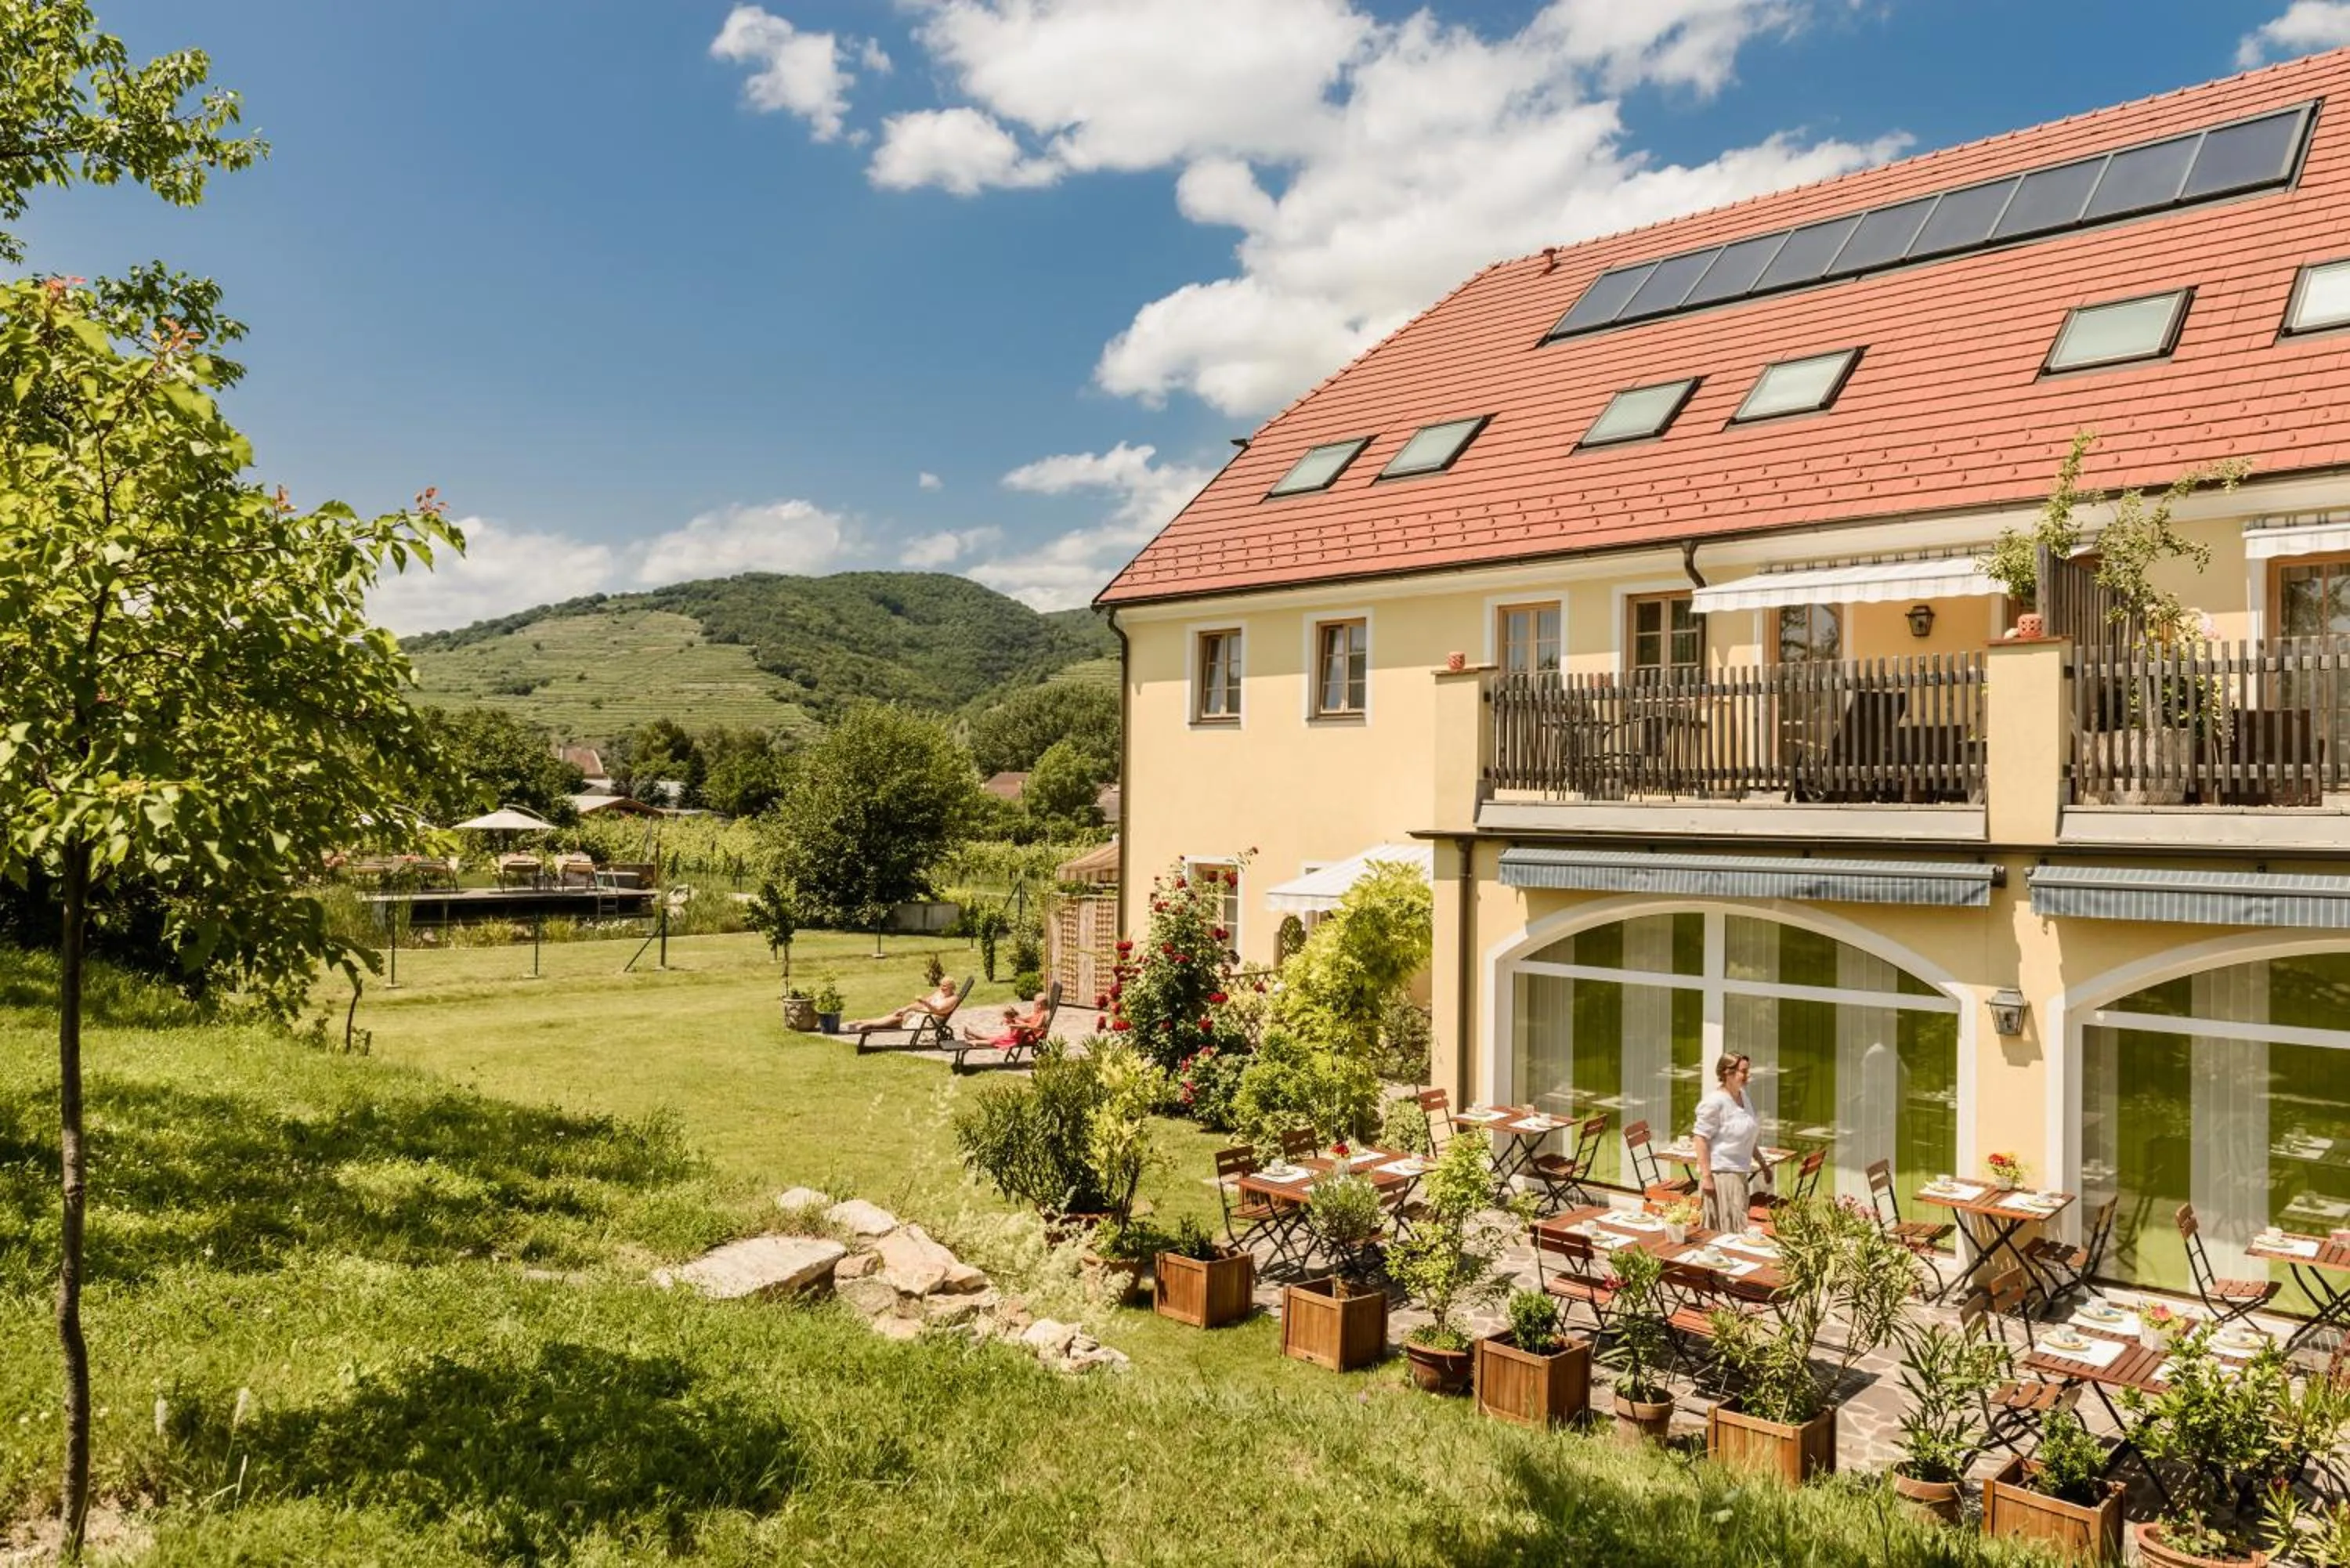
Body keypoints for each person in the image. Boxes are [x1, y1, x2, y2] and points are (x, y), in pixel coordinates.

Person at [1691, 1053, 1766, 1234]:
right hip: (1721, 1176)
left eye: (1748, 1071)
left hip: (1739, 1174)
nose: (1748, 1075)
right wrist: (1707, 1178)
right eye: (1743, 1071)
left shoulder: (1743, 1097)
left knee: (1736, 1229)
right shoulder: (1715, 1102)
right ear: (1727, 1072)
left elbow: (1747, 1135)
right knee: (1722, 1232)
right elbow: (1700, 1138)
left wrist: (1763, 1165)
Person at [848, 976, 958, 1033]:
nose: (942, 988)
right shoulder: (939, 993)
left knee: (897, 1019)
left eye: (945, 986)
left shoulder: (953, 999)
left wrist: (923, 1002)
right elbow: (921, 1004)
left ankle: (869, 1025)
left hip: (928, 1020)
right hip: (921, 1014)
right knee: (897, 1015)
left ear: (952, 987)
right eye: (941, 985)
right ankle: (864, 1022)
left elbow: (938, 1010)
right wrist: (906, 1008)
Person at [963, 990, 1050, 1049]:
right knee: (998, 1037)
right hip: (1024, 1034)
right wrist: (1013, 1015)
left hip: (1028, 1037)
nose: (1038, 1006)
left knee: (998, 1040)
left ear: (1046, 1005)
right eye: (1037, 1004)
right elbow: (1023, 1018)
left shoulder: (1043, 1015)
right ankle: (975, 1036)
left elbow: (1036, 1027)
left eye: (1041, 1005)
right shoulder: (1036, 1013)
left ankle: (976, 1042)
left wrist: (1018, 1025)